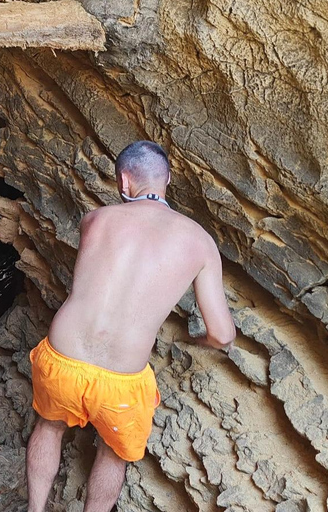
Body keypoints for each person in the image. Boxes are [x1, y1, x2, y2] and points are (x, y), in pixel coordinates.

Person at [25, 141, 235, 512]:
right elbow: (222, 334)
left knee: (48, 427)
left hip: (63, 357)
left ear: (124, 181)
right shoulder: (200, 242)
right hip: (122, 378)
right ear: (167, 178)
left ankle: (35, 509)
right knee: (113, 454)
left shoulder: (96, 220)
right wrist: (197, 338)